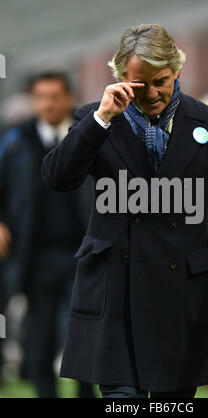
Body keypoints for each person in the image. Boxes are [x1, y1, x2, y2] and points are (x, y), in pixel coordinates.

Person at [42, 24, 208, 399]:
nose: (151, 93)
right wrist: (101, 120)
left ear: (178, 70)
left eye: (160, 80)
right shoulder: (94, 119)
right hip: (114, 293)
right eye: (139, 83)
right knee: (122, 402)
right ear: (120, 78)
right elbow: (57, 177)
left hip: (180, 296)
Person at [0, 71, 94, 397]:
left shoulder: (91, 134)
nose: (48, 103)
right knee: (39, 335)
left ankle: (85, 393)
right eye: (41, 97)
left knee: (82, 331)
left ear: (69, 96)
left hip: (84, 251)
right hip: (34, 255)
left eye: (55, 96)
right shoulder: (15, 142)